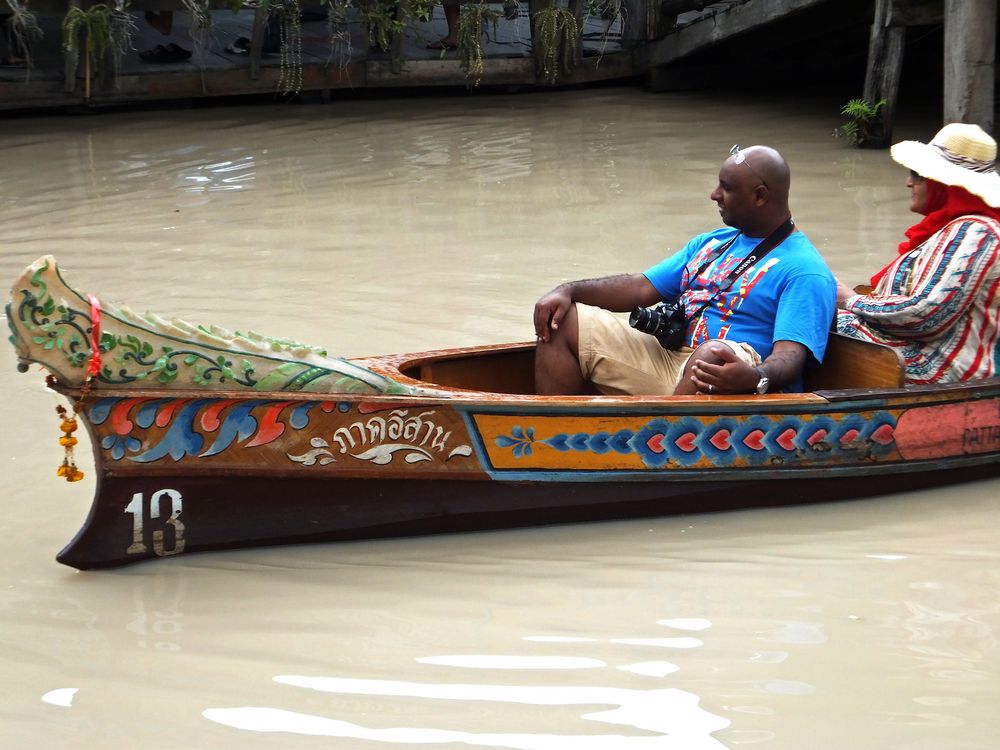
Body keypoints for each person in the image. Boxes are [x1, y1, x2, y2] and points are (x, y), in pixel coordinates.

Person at [534, 145, 836, 396]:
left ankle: (656, 450)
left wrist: (755, 378)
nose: (714, 195)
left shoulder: (805, 271)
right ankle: (556, 442)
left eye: (726, 188)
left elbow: (790, 357)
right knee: (561, 317)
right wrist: (568, 290)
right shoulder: (711, 243)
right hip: (670, 359)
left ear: (759, 196)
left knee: (712, 355)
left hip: (729, 382)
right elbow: (640, 287)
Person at [835, 123, 1000, 384]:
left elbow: (927, 316)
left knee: (821, 324)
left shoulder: (977, 232)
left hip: (942, 366)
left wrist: (851, 301)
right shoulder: (947, 230)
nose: (908, 182)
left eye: (918, 174)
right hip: (915, 346)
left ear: (943, 183)